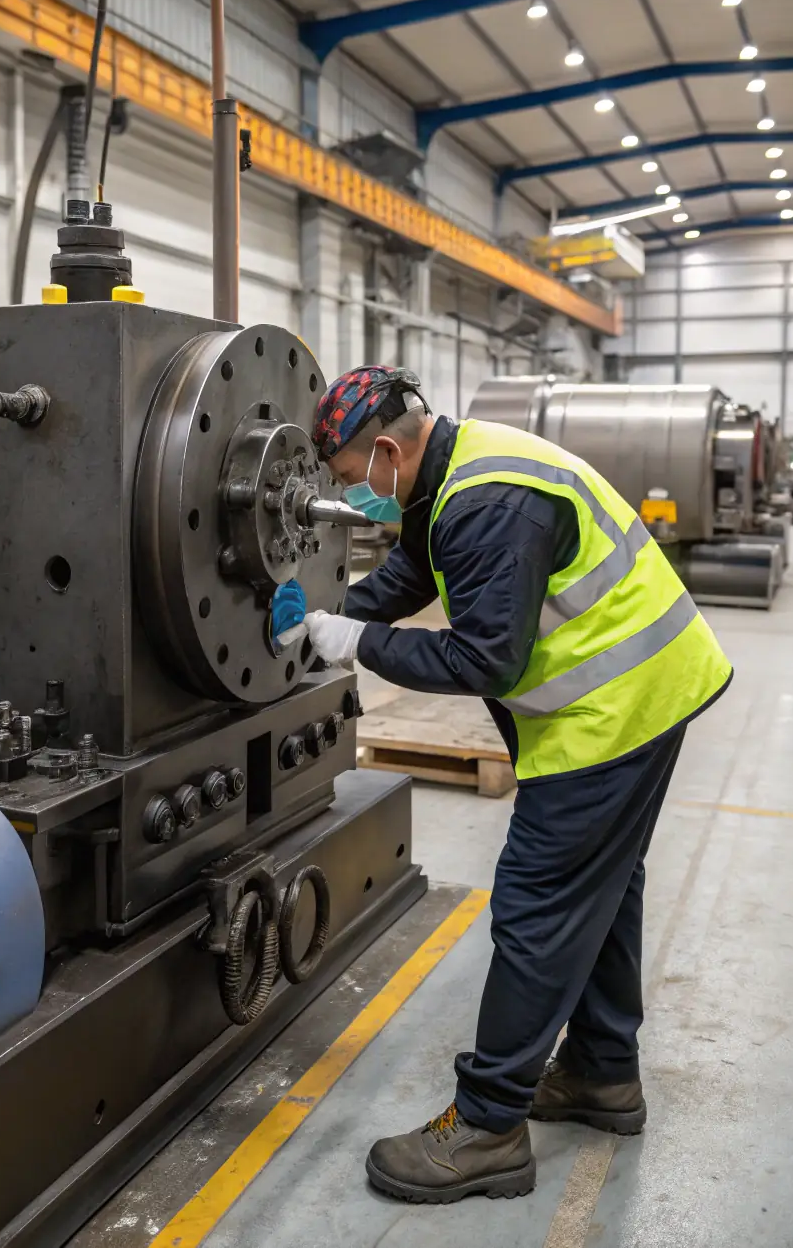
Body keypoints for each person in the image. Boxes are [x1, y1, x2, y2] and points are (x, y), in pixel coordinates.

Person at [299, 364, 733, 1206]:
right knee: (601, 889)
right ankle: (603, 1075)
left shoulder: (486, 504)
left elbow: (482, 658)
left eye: (354, 478)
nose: (359, 495)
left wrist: (354, 643)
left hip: (618, 708)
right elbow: (416, 574)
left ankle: (489, 1126)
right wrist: (338, 610)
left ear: (386, 448)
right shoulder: (447, 471)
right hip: (643, 693)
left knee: (538, 903)